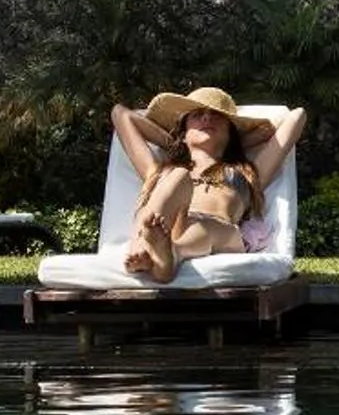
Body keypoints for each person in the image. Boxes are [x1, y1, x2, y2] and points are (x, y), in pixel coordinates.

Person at [110, 86, 305, 283]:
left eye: (216, 115)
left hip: (219, 230)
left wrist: (240, 142)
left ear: (231, 133)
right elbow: (120, 114)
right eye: (197, 115)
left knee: (205, 227)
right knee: (177, 177)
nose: (206, 118)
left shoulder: (246, 174)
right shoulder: (162, 171)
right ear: (184, 133)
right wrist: (176, 143)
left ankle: (168, 254)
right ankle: (146, 247)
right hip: (166, 223)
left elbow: (297, 117)